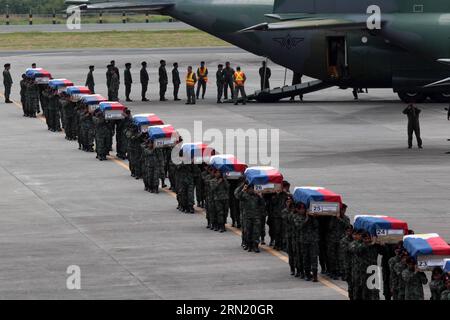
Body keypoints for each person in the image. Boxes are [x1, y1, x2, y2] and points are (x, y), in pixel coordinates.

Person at [236, 184, 265, 253]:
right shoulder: (245, 196)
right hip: (247, 217)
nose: (251, 190)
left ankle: (256, 246)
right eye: (250, 189)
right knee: (248, 232)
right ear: (248, 189)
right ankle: (249, 245)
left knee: (256, 232)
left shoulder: (257, 196)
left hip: (256, 217)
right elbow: (238, 196)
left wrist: (260, 197)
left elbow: (263, 204)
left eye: (252, 189)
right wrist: (243, 189)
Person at [327, 204, 350, 280]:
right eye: (342, 210)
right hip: (333, 240)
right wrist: (335, 218)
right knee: (332, 257)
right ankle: (333, 272)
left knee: (341, 257)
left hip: (341, 240)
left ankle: (341, 272)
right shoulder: (333, 218)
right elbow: (330, 227)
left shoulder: (346, 218)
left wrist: (339, 218)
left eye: (344, 210)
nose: (343, 211)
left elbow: (347, 226)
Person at [298, 202, 319, 282]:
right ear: (298, 210)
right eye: (301, 209)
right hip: (304, 241)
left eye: (304, 209)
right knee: (306, 258)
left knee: (314, 257)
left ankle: (315, 275)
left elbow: (316, 226)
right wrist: (307, 218)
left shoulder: (312, 218)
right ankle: (307, 274)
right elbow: (300, 226)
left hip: (313, 241)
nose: (303, 210)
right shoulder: (298, 217)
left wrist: (313, 218)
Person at [340, 225, 354, 299]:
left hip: (356, 266)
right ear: (345, 232)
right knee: (350, 284)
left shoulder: (355, 239)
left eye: (351, 231)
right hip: (348, 265)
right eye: (348, 231)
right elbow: (347, 249)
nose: (349, 232)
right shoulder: (343, 241)